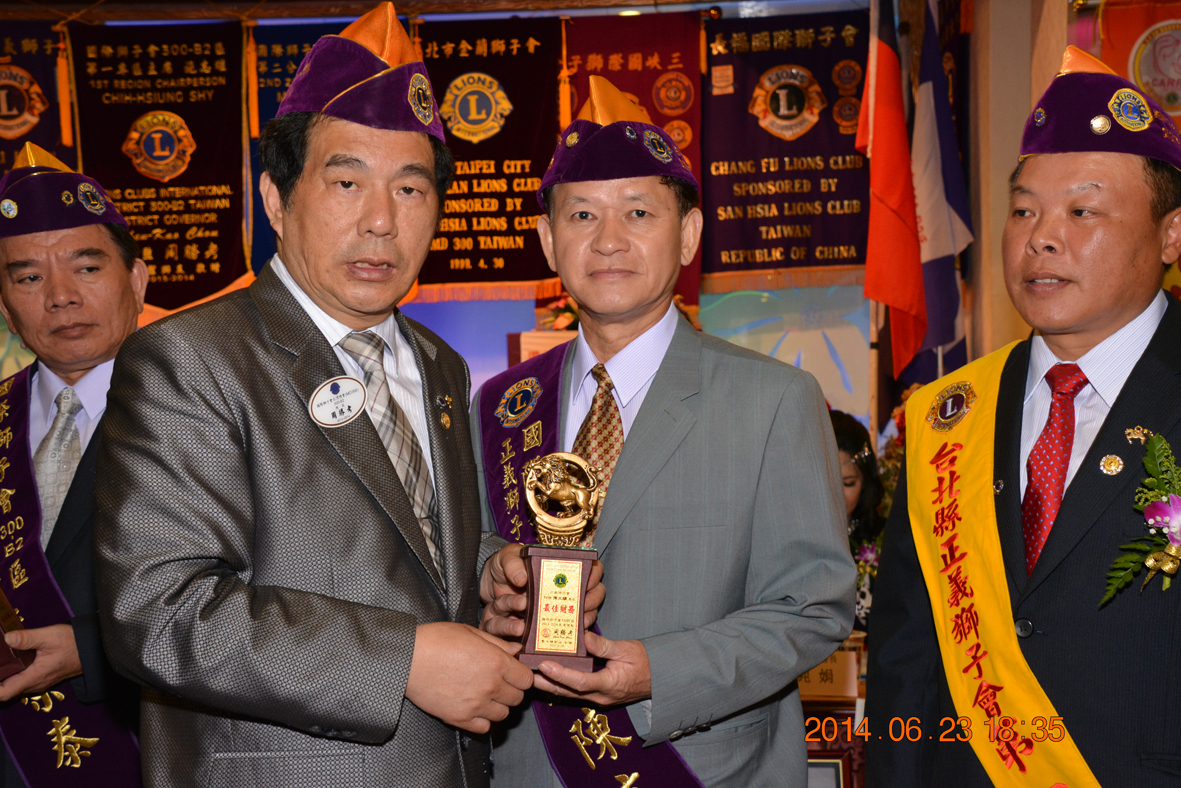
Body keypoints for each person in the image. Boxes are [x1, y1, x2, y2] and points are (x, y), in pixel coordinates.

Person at [93, 5, 557, 786]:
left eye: (410, 190)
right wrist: (403, 660)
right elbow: (157, 611)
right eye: (346, 183)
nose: (380, 221)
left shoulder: (439, 364)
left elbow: (405, 542)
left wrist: (487, 572)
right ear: (276, 200)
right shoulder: (190, 357)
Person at [471, 75, 856, 788]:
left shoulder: (773, 399)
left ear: (688, 234)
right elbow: (469, 556)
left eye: (639, 212)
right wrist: (492, 575)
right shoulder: (501, 404)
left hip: (706, 766)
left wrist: (660, 671)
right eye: (581, 216)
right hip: (529, 767)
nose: (608, 240)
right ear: (548, 241)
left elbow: (811, 608)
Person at [867, 47, 1181, 787]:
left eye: (1081, 211)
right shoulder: (947, 414)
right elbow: (905, 658)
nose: (1040, 236)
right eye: (1022, 210)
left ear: (1170, 235)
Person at [0, 143, 142, 786]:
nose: (59, 296)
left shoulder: (209, 414)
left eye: (86, 267)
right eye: (28, 278)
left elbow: (261, 588)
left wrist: (92, 649)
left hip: (150, 746)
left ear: (136, 281)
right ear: (5, 305)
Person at [829, 410, 883, 630]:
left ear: (866, 483)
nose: (835, 495)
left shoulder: (885, 541)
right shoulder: (785, 543)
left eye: (848, 483)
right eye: (826, 481)